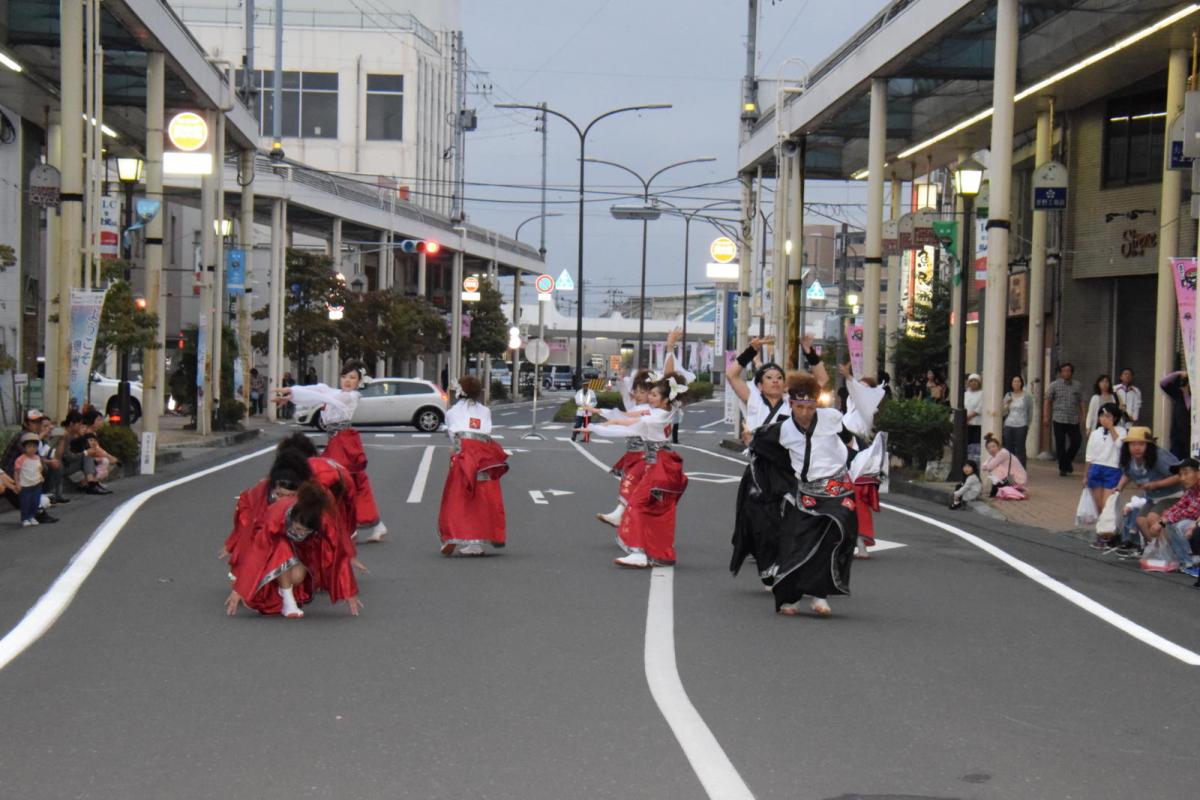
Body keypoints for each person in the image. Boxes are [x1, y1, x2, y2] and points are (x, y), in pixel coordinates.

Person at [767, 372, 875, 617]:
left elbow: (851, 442)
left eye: (810, 406)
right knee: (799, 545)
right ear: (791, 404)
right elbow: (768, 454)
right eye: (800, 407)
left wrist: (859, 462)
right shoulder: (783, 429)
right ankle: (790, 597)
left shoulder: (832, 418)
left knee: (835, 538)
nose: (805, 412)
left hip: (837, 489)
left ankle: (820, 595)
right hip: (807, 493)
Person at [274, 359, 387, 543]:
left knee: (334, 481)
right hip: (336, 440)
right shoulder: (336, 393)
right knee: (352, 484)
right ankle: (369, 525)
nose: (347, 381)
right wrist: (290, 396)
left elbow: (323, 396)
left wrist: (294, 392)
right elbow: (319, 390)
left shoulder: (351, 396)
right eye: (344, 376)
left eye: (352, 377)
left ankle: (348, 526)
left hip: (345, 442)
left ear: (359, 382)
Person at [585, 371, 690, 568]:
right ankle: (659, 552)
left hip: (658, 465)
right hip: (661, 465)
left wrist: (596, 428)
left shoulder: (653, 418)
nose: (649, 397)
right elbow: (631, 417)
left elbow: (629, 425)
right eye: (649, 393)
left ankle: (639, 552)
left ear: (665, 399)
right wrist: (606, 419)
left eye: (654, 395)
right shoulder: (667, 411)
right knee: (654, 509)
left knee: (636, 505)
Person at [226, 481, 362, 618]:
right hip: (271, 546)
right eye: (297, 528)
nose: (298, 533)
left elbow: (339, 554)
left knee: (296, 577)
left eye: (304, 531)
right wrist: (240, 587)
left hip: (305, 547)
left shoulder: (325, 520)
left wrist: (349, 590)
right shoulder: (276, 514)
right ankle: (288, 601)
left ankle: (284, 588)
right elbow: (258, 551)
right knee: (282, 548)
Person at [438, 375, 509, 556]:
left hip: (464, 456)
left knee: (458, 498)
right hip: (485, 458)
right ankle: (477, 542)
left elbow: (453, 435)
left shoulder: (452, 412)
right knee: (484, 499)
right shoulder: (485, 411)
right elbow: (486, 432)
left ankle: (455, 534)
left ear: (460, 392)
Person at [1115, 427, 1182, 556]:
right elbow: (1127, 474)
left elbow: (1179, 475)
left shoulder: (1159, 457)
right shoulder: (1130, 460)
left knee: (1153, 518)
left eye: (1141, 444)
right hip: (1153, 498)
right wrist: (1119, 488)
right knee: (1140, 520)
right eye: (1133, 444)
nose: (1137, 448)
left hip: (1173, 495)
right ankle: (1158, 550)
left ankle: (1171, 552)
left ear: (1149, 445)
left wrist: (1156, 484)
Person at [1145, 457, 1200, 577]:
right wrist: (1163, 520)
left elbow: (1192, 511)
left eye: (1186, 473)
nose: (1183, 478)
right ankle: (1185, 562)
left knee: (1179, 525)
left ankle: (1192, 561)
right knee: (1170, 522)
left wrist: (1162, 521)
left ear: (1198, 473)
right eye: (1181, 475)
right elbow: (1178, 507)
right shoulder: (1191, 489)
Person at [0, 410, 58, 524]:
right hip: (11, 473)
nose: (37, 425)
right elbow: (29, 454)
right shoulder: (23, 436)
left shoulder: (33, 437)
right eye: (34, 422)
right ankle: (37, 512)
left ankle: (35, 512)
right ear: (26, 423)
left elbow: (37, 460)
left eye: (39, 422)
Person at [1084, 403, 1126, 548]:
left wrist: (1112, 428)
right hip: (1096, 469)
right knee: (1098, 505)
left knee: (1108, 504)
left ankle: (1109, 534)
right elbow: (1089, 456)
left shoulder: (1121, 431)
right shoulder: (1096, 433)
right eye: (1102, 416)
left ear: (1115, 418)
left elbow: (1121, 446)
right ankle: (1103, 533)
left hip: (1112, 469)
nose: (1104, 419)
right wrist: (1086, 475)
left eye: (1107, 416)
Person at [1046, 362, 1086, 477]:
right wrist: (1046, 416)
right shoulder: (1054, 385)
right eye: (1064, 371)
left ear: (1072, 372)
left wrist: (1083, 416)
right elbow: (1047, 400)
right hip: (1059, 418)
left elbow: (1082, 401)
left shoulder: (1078, 385)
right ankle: (1063, 468)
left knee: (1077, 441)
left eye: (1068, 371)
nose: (1066, 373)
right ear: (1060, 373)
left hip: (1073, 419)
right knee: (1060, 443)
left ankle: (1067, 461)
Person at [14, 432, 44, 527]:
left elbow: (39, 469)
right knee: (25, 503)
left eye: (34, 446)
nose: (32, 449)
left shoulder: (37, 458)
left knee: (35, 502)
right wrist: (17, 483)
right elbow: (16, 472)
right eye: (29, 446)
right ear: (24, 447)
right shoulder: (20, 459)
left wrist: (41, 476)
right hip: (25, 485)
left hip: (37, 483)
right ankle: (25, 518)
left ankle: (32, 516)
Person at [1159, 371, 1191, 460]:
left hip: (1192, 437)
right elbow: (1163, 383)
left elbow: (1189, 408)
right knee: (1176, 462)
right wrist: (1179, 373)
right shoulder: (1178, 394)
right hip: (1178, 436)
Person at [1001, 375, 1031, 466]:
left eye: (1018, 381)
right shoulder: (1008, 395)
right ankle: (1010, 467)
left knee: (1020, 448)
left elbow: (1030, 411)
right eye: (1014, 381)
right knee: (1008, 447)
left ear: (1021, 383)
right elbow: (1003, 412)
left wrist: (1028, 424)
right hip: (1009, 424)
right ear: (1011, 383)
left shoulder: (1026, 396)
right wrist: (1007, 403)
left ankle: (1021, 468)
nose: (1016, 383)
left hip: (1021, 425)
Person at [964, 373, 983, 461]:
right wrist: (965, 417)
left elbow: (980, 408)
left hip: (977, 423)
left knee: (976, 445)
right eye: (971, 381)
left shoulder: (982, 393)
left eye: (975, 381)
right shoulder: (965, 394)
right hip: (967, 423)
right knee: (966, 445)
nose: (973, 383)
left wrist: (969, 416)